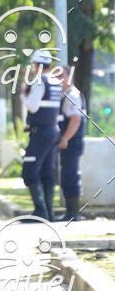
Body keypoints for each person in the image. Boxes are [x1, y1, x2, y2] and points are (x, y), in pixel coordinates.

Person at [21, 49, 61, 221]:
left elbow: (32, 106)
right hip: (53, 130)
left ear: (36, 65)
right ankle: (49, 213)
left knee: (29, 171)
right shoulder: (55, 81)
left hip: (41, 132)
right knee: (46, 171)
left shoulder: (39, 82)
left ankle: (40, 211)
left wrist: (23, 93)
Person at [54, 65, 86, 221]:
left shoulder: (72, 95)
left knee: (71, 175)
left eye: (61, 76)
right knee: (66, 174)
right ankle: (70, 211)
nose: (58, 79)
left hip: (72, 142)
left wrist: (65, 138)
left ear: (69, 77)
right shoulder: (63, 95)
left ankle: (74, 213)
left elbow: (75, 119)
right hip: (67, 142)